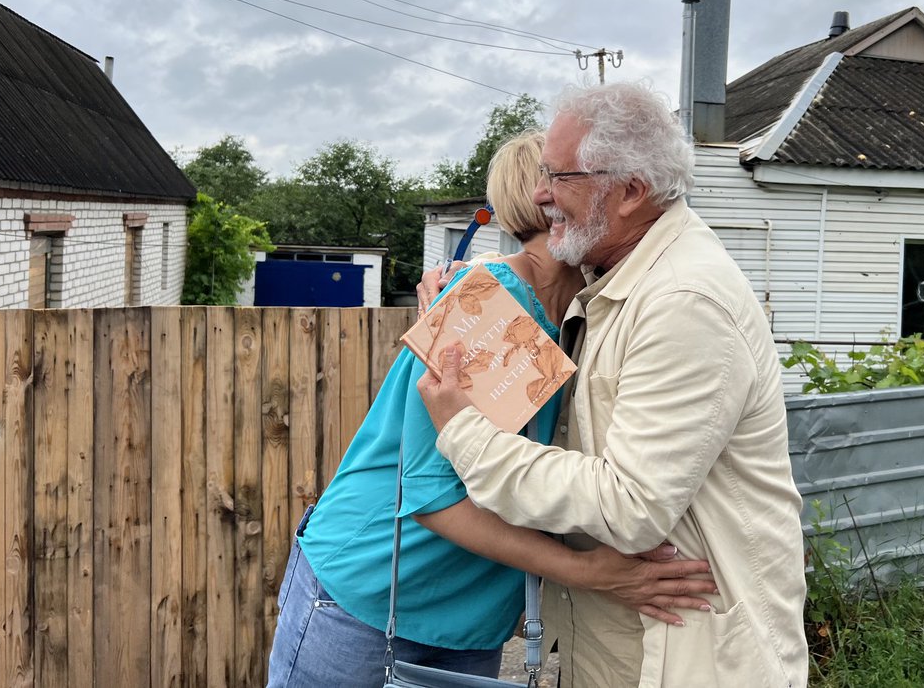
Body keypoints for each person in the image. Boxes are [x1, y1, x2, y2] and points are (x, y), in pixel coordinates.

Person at [266, 131, 717, 688]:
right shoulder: (492, 308)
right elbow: (432, 498)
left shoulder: (582, 316)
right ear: (548, 197)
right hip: (372, 595)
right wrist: (590, 574)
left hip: (467, 619)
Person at [417, 84, 809, 687]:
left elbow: (631, 506)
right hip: (625, 641)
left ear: (630, 191)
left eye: (559, 176)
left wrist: (464, 432)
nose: (541, 193)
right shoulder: (622, 273)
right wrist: (475, 286)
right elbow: (546, 273)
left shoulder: (684, 301)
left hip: (686, 652)